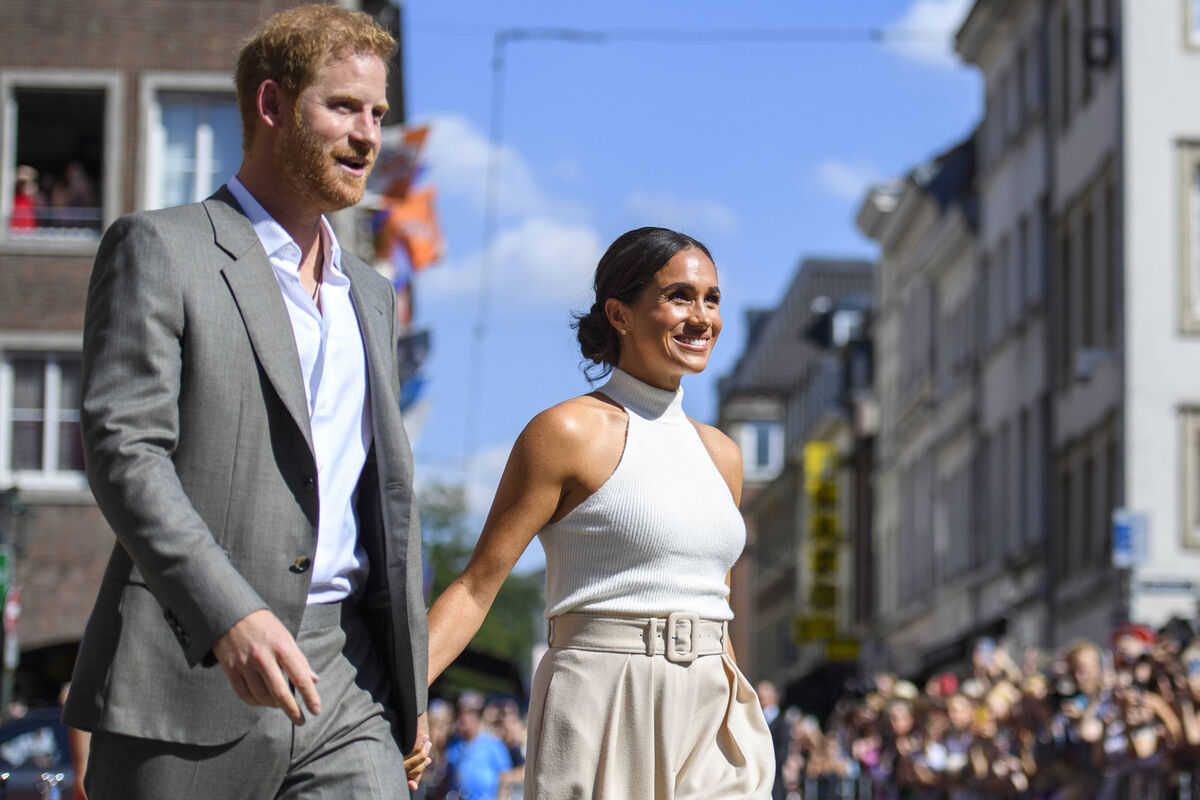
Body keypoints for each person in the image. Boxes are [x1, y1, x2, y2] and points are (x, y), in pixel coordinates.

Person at [61, 5, 430, 797]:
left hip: (348, 676)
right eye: (342, 107)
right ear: (271, 106)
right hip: (190, 671)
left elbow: (388, 499)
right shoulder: (160, 247)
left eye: (377, 113)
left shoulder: (370, 293)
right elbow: (125, 451)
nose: (367, 135)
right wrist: (228, 612)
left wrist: (412, 681)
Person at [425, 227, 775, 798]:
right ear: (620, 313)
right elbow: (475, 587)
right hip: (602, 700)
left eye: (712, 299)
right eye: (679, 296)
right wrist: (406, 698)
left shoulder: (723, 455)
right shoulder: (566, 432)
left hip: (714, 704)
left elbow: (717, 600)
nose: (702, 317)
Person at [441, 692, 514, 800]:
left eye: (467, 714)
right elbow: (446, 778)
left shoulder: (493, 745)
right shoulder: (454, 744)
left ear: (476, 717)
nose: (462, 719)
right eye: (460, 714)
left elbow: (505, 778)